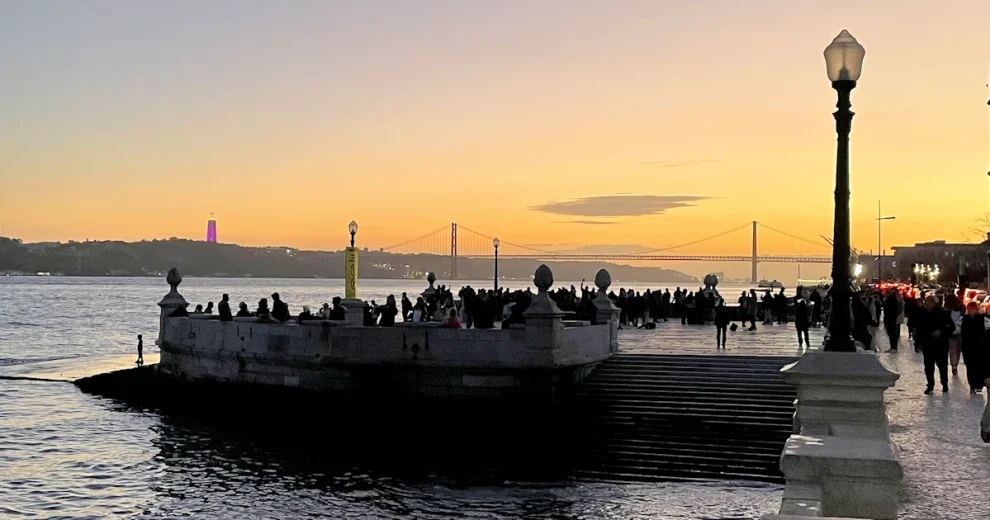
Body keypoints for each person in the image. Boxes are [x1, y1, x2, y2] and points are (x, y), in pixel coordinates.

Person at [917, 295, 954, 394]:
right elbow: (919, 329)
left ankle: (944, 384)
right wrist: (918, 343)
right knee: (928, 366)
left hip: (941, 344)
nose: (926, 304)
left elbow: (951, 327)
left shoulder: (943, 313)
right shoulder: (923, 314)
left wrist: (941, 331)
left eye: (928, 302)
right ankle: (930, 385)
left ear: (934, 303)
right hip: (928, 344)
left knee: (942, 366)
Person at [961, 301, 985, 393]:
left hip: (978, 345)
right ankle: (972, 385)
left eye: (972, 309)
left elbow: (982, 332)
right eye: (969, 309)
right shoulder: (965, 318)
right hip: (967, 346)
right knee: (970, 366)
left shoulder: (980, 318)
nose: (970, 310)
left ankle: (979, 384)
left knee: (978, 366)